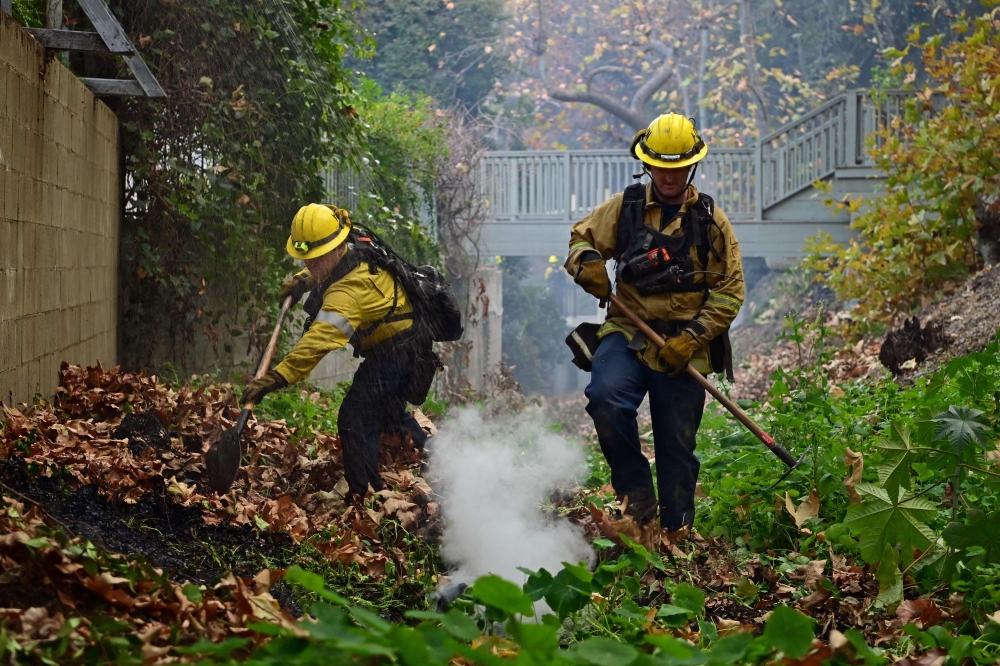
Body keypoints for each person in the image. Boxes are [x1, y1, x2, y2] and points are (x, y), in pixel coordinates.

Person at [565, 113, 744, 534]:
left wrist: (693, 337)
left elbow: (730, 291)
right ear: (647, 164)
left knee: (676, 446)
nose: (669, 175)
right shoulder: (625, 208)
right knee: (605, 398)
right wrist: (588, 263)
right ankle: (638, 503)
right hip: (628, 331)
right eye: (661, 166)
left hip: (684, 344)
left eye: (678, 166)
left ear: (692, 165)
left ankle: (676, 533)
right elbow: (582, 238)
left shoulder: (711, 222)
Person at [241, 203, 434, 500]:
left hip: (398, 350)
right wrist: (302, 282)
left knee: (355, 417)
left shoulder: (348, 293)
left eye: (316, 259)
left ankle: (361, 494)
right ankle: (439, 459)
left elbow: (317, 341)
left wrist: (276, 378)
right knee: (388, 413)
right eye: (306, 259)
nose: (311, 265)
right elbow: (325, 269)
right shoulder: (348, 242)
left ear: (335, 246)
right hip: (404, 338)